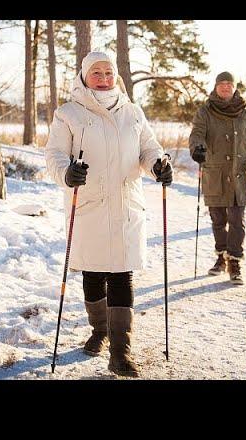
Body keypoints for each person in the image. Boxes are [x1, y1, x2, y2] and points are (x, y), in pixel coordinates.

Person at [45, 51, 172, 377]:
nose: (103, 77)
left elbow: (149, 148)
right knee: (93, 274)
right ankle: (99, 330)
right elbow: (55, 156)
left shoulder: (133, 113)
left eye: (108, 72)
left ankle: (120, 351)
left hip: (127, 206)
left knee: (121, 274)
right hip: (89, 207)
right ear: (84, 76)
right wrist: (67, 173)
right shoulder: (68, 114)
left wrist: (159, 165)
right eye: (96, 72)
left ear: (116, 76)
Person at [188, 71, 246, 285]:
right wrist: (198, 149)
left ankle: (235, 262)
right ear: (215, 87)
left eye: (228, 84)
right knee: (218, 220)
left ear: (234, 87)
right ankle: (221, 257)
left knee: (237, 220)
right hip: (215, 173)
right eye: (221, 84)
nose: (225, 87)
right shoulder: (206, 110)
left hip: (239, 173)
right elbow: (197, 133)